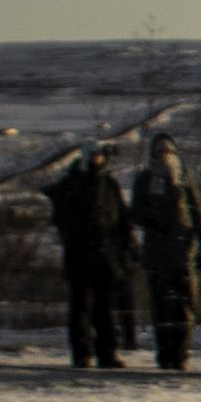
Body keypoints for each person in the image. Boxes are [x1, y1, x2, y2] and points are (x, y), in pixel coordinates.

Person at [124, 129, 201, 373]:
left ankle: (180, 356)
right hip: (158, 254)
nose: (164, 156)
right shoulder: (145, 179)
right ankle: (165, 356)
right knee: (162, 310)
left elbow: (196, 210)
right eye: (160, 151)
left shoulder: (184, 178)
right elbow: (135, 212)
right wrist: (155, 221)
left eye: (168, 151)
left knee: (185, 307)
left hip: (183, 252)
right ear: (153, 153)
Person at [42, 145, 128, 370]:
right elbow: (61, 219)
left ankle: (108, 353)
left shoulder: (109, 184)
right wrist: (84, 226)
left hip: (105, 255)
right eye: (92, 155)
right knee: (81, 307)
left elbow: (122, 220)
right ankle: (82, 354)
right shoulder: (70, 184)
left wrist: (126, 247)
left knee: (105, 308)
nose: (96, 159)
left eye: (99, 156)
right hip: (79, 254)